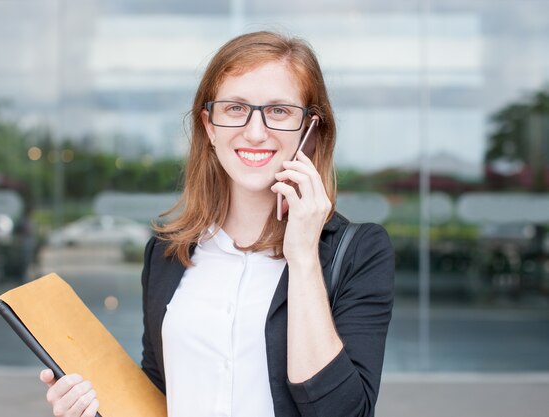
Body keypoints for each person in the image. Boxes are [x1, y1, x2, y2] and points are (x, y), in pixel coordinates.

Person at [39, 30, 395, 417]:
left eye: (278, 110)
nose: (255, 132)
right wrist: (90, 408)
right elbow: (158, 396)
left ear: (310, 129)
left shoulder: (360, 252)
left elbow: (346, 413)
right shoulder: (167, 251)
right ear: (209, 126)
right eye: (235, 108)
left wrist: (304, 256)